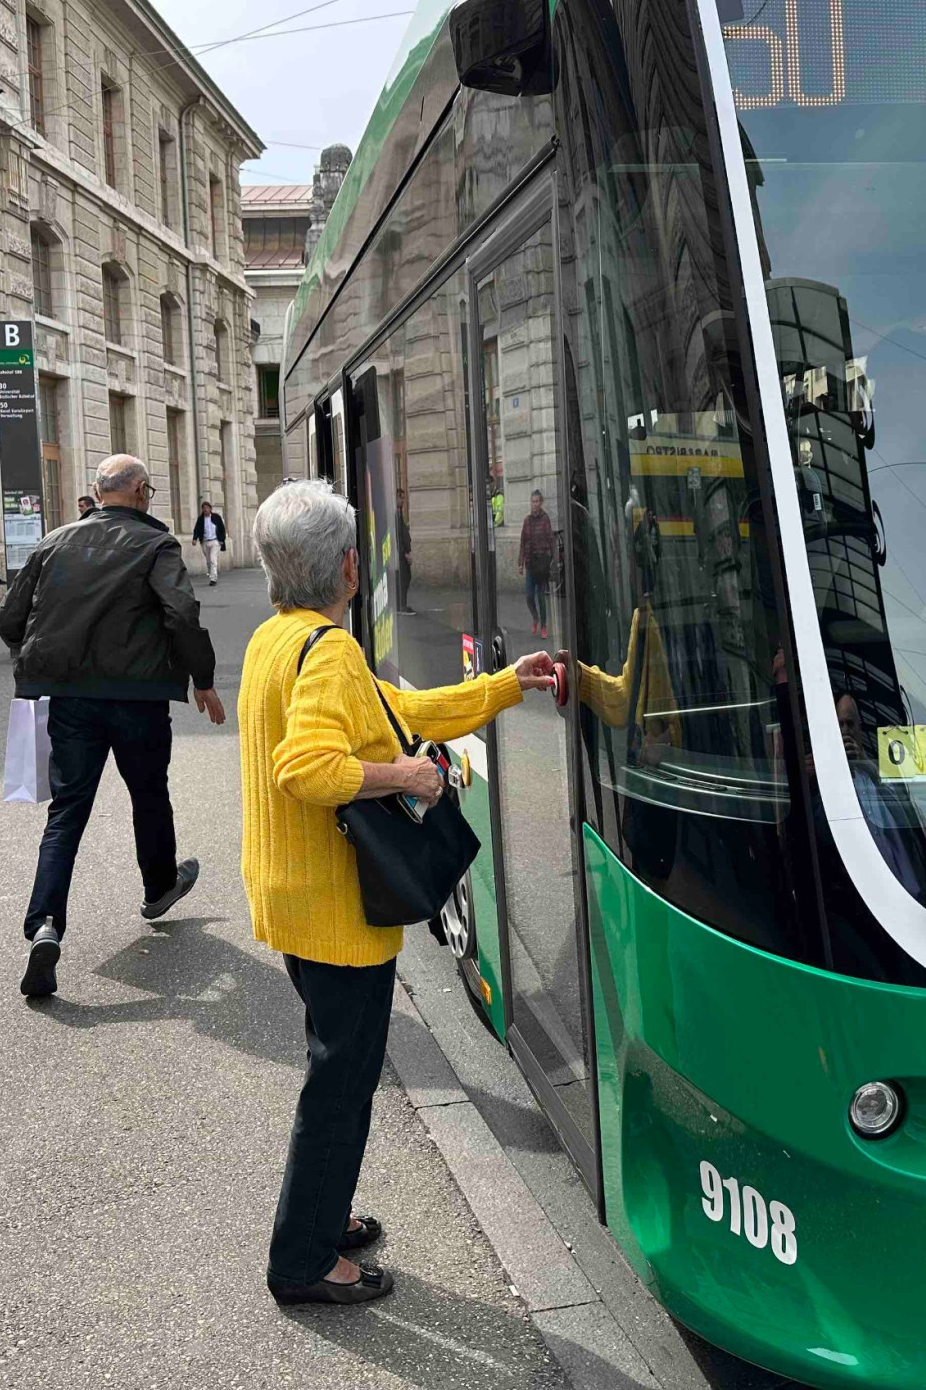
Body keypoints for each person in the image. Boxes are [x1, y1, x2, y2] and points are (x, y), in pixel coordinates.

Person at [239, 478, 556, 1306]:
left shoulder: (280, 639)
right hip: (334, 910)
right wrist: (406, 775)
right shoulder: (328, 651)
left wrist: (506, 684)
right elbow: (307, 767)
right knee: (340, 1086)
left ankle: (322, 1214)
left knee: (335, 1067)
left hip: (290, 895)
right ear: (349, 567)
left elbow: (400, 709)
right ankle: (303, 1260)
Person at [0, 454, 225, 999]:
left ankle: (45, 925)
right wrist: (202, 678)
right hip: (138, 697)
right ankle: (159, 886)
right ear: (141, 491)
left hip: (70, 699)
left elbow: (9, 618)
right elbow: (181, 614)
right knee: (149, 794)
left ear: (98, 493)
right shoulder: (155, 544)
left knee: (67, 810)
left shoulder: (55, 542)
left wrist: (42, 662)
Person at [517, 488, 555, 638]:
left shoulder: (545, 519)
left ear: (541, 503)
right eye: (533, 501)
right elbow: (523, 541)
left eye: (537, 501)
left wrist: (554, 560)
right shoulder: (527, 521)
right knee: (529, 596)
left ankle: (544, 627)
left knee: (541, 597)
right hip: (530, 563)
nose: (535, 504)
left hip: (542, 563)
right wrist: (520, 563)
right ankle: (535, 618)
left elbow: (551, 539)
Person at [191, 501, 226, 584]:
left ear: (210, 509)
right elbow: (196, 529)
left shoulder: (216, 517)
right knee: (208, 561)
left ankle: (213, 579)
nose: (205, 509)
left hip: (215, 541)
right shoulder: (201, 519)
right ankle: (211, 573)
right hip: (205, 542)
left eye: (207, 508)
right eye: (204, 508)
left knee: (213, 558)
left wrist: (222, 540)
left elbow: (222, 528)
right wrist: (195, 538)